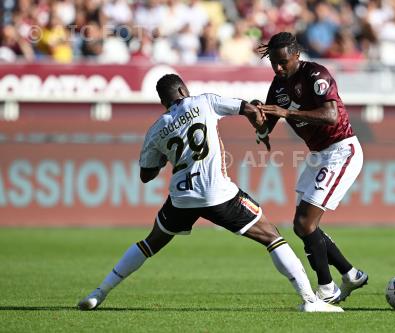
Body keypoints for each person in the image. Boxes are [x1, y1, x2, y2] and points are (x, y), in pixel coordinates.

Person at [77, 74, 343, 313]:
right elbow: (246, 107)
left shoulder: (156, 130)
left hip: (181, 198)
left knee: (149, 244)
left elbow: (146, 176)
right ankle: (310, 300)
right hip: (218, 193)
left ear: (163, 101)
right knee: (272, 237)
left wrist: (163, 157)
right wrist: (258, 120)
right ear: (183, 89)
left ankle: (99, 293)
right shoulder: (204, 101)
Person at [254, 32, 368, 304]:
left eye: (283, 62)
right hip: (319, 155)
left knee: (305, 223)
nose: (278, 68)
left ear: (296, 56)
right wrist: (257, 116)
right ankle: (351, 274)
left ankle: (327, 290)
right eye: (273, 62)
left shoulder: (316, 74)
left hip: (342, 149)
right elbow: (266, 124)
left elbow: (331, 116)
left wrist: (288, 113)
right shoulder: (279, 85)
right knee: (302, 225)